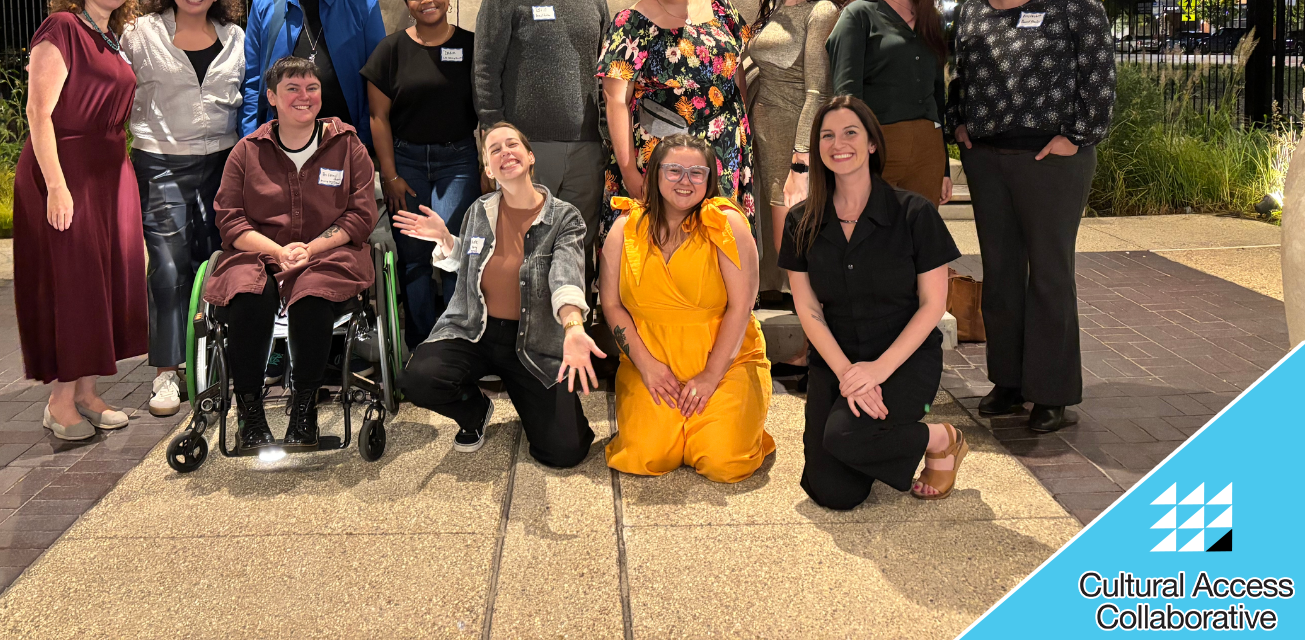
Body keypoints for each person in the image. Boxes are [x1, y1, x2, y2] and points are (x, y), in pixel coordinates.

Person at [946, 0, 1115, 434]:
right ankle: (1010, 382)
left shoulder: (1071, 2)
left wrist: (1078, 135)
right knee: (999, 273)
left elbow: (1099, 75)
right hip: (988, 158)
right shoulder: (973, 11)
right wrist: (959, 125)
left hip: (1052, 160)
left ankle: (1052, 393)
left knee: (1048, 273)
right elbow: (959, 76)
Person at [778, 97, 967, 510]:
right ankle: (870, 441)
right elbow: (808, 310)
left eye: (850, 133)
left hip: (904, 358)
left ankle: (941, 439)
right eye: (827, 135)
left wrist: (878, 371)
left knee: (845, 436)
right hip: (836, 359)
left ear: (871, 145)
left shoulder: (913, 213)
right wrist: (849, 374)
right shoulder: (801, 220)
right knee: (834, 492)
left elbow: (933, 305)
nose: (837, 143)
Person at [395, 122, 601, 467]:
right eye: (495, 149)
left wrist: (573, 327)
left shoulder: (565, 218)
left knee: (565, 452)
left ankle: (529, 398)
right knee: (418, 379)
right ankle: (475, 412)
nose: (505, 152)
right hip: (477, 329)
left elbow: (566, 278)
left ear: (530, 156)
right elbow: (472, 262)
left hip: (533, 341)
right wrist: (446, 241)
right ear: (489, 169)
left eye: (512, 145)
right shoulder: (480, 210)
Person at [207, 56, 378, 453]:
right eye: (292, 89)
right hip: (259, 253)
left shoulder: (347, 145)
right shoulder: (246, 152)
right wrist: (277, 252)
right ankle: (250, 413)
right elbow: (229, 220)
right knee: (248, 295)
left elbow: (361, 214)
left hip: (330, 253)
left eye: (311, 88)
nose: (304, 97)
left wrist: (310, 249)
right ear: (271, 97)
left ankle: (305, 409)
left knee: (312, 294)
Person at [14, 0, 147, 441]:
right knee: (72, 283)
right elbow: (37, 113)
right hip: (65, 170)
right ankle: (59, 401)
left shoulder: (109, 37)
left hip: (110, 171)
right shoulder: (63, 28)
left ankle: (88, 392)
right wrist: (55, 186)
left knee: (104, 279)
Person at [600, 135, 774, 483]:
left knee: (724, 461)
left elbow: (742, 307)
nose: (685, 181)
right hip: (652, 363)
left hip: (724, 363)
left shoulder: (728, 225)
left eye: (697, 173)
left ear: (710, 180)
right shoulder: (624, 228)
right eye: (674, 170)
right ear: (655, 174)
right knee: (645, 456)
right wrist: (646, 366)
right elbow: (612, 305)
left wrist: (710, 376)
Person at [122, 0, 246, 418]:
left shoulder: (235, 36)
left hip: (223, 161)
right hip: (161, 162)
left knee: (215, 259)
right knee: (169, 267)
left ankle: (213, 358)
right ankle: (167, 372)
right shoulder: (141, 32)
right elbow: (115, 85)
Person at [473, 0, 611, 275]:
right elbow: (485, 70)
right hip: (529, 149)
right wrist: (495, 138)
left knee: (578, 244)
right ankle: (530, 332)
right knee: (527, 245)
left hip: (587, 148)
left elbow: (606, 70)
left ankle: (574, 328)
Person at [599, 0, 754, 234]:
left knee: (721, 243)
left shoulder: (719, 4)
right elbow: (614, 100)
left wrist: (743, 124)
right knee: (665, 242)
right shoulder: (630, 22)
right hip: (662, 155)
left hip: (724, 149)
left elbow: (737, 68)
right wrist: (630, 173)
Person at [362, 0, 481, 348]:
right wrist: (389, 174)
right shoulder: (390, 50)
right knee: (413, 255)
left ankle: (455, 344)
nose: (426, 1)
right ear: (406, 3)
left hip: (458, 162)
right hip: (406, 162)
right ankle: (420, 344)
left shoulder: (471, 46)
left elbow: (487, 109)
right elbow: (378, 118)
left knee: (452, 249)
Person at [742, 0, 848, 297]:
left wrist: (801, 162)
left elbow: (818, 93)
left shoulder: (822, 12)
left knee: (796, 252)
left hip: (792, 144)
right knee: (781, 248)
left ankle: (812, 347)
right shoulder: (774, 9)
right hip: (761, 138)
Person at [825, 0, 952, 206]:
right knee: (872, 243)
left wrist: (943, 166)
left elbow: (937, 97)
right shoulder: (857, 15)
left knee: (919, 246)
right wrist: (852, 161)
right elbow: (846, 98)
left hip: (927, 152)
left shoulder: (930, 18)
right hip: (877, 148)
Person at [240, 0, 386, 151]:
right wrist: (249, 140)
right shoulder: (264, 4)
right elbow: (252, 81)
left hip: (343, 143)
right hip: (277, 146)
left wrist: (364, 142)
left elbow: (378, 83)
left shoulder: (365, 9)